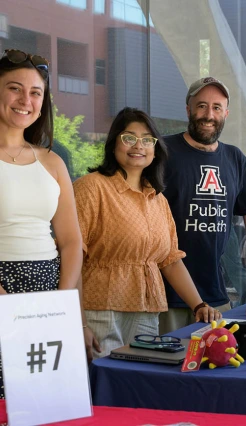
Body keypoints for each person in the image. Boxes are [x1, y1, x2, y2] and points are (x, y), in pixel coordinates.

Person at [74, 107, 220, 360]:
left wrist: (199, 304)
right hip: (100, 307)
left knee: (136, 384)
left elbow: (170, 260)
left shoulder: (157, 198)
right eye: (129, 137)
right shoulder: (91, 187)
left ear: (155, 149)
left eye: (147, 140)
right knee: (102, 383)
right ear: (113, 144)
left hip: (147, 310)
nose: (137, 146)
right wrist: (79, 322)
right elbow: (72, 256)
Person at [0, 49, 82, 398]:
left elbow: (71, 241)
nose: (26, 100)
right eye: (14, 88)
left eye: (36, 92)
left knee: (41, 400)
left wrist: (60, 304)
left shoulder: (52, 161)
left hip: (48, 288)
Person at [159, 77, 246, 334]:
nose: (209, 115)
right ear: (188, 109)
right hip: (166, 297)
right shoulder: (163, 151)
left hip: (216, 297)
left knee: (219, 365)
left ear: (226, 113)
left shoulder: (235, 159)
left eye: (217, 108)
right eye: (202, 106)